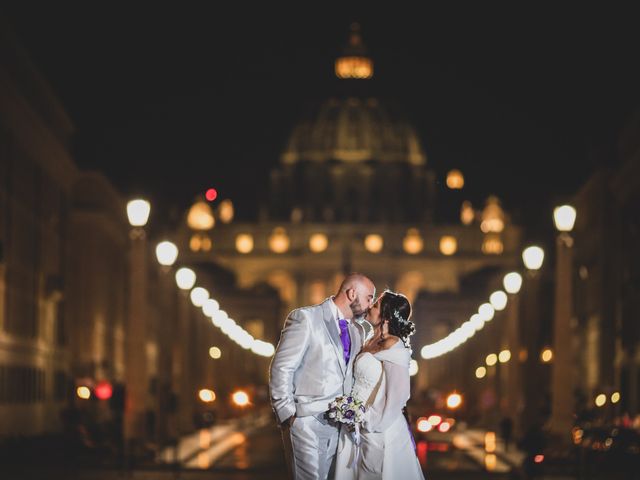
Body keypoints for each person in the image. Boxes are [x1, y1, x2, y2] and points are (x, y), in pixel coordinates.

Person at [270, 273, 376, 480]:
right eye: (369, 297)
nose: (371, 305)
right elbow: (282, 367)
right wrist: (287, 414)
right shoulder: (306, 318)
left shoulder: (357, 331)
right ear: (352, 293)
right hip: (306, 422)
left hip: (341, 427)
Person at [334, 290, 424, 479]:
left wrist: (368, 420)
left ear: (386, 316)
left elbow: (398, 394)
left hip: (380, 428)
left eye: (375, 305)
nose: (369, 306)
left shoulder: (393, 344)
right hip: (355, 424)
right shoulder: (369, 339)